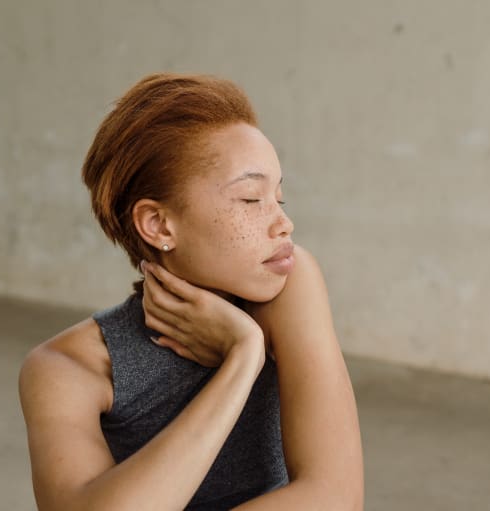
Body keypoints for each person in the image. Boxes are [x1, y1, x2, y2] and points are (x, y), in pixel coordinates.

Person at [18, 73, 364, 510]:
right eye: (252, 199)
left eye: (280, 198)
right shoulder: (64, 369)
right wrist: (243, 357)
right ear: (159, 225)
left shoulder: (288, 285)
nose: (283, 223)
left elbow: (337, 497)